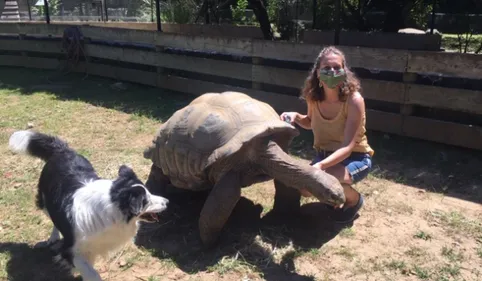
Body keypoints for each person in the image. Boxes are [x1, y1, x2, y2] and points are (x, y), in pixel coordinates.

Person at [280, 46, 374, 224]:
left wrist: (319, 167)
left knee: (320, 179)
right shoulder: (313, 97)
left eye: (337, 68)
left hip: (356, 158)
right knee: (305, 188)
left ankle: (354, 200)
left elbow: (348, 147)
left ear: (344, 71)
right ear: (317, 72)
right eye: (326, 68)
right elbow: (310, 121)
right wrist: (295, 116)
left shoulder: (354, 100)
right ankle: (334, 197)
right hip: (325, 155)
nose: (332, 71)